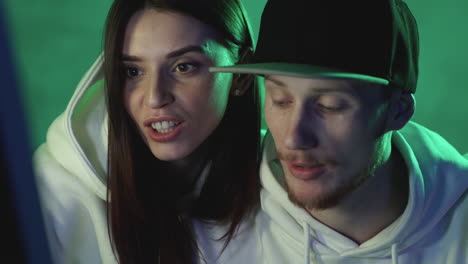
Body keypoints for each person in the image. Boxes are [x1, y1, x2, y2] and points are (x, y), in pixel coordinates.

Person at [210, 0, 468, 263]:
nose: (294, 138)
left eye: (329, 106)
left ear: (398, 111)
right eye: (280, 100)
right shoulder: (219, 217)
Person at [33, 0, 261, 263]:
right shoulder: (50, 191)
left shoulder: (282, 178)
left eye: (183, 67)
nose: (154, 98)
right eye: (133, 71)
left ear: (241, 75)